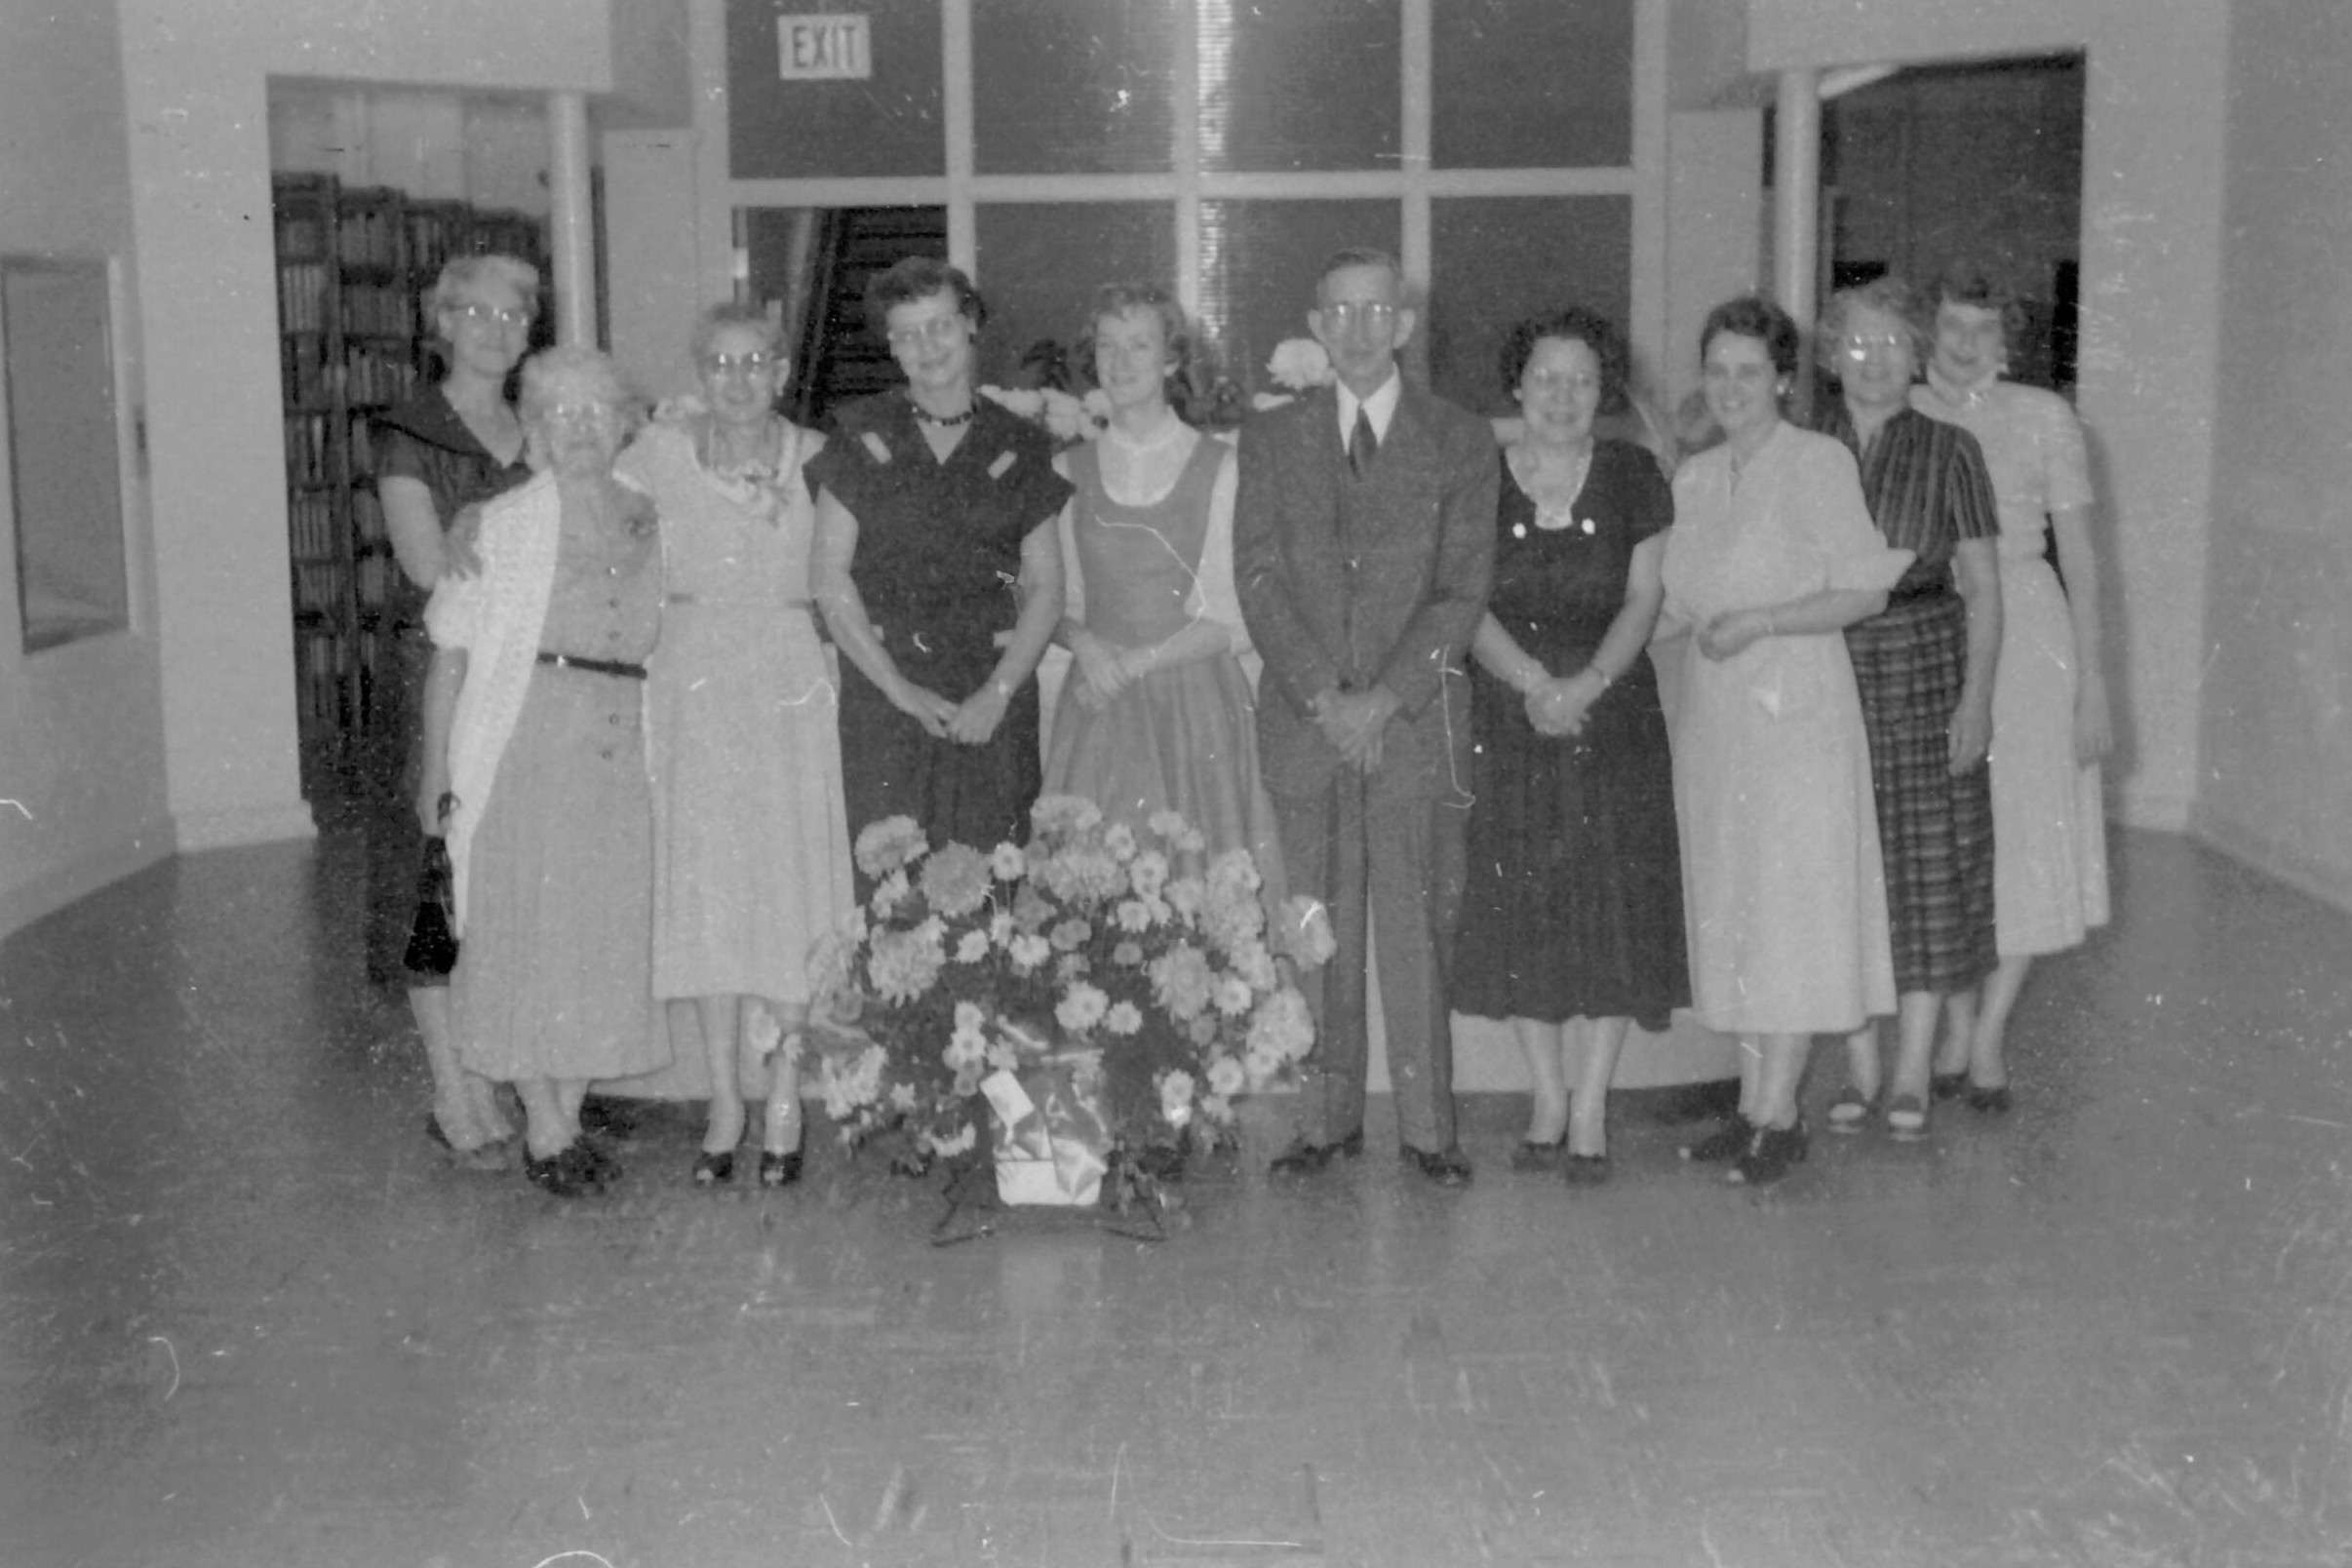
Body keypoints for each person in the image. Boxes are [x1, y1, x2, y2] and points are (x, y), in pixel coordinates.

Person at [1234, 246, 1499, 1188]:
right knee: (1317, 925)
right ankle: (1324, 1119)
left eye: (1374, 312)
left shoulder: (1461, 439)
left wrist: (1384, 697)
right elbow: (1257, 581)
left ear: (1404, 325)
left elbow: (1464, 591)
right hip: (1307, 719)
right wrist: (1325, 695)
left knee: (1418, 921)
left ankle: (1430, 1130)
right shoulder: (1271, 439)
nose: (1355, 330)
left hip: (1414, 719)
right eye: (1337, 313)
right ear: (1315, 326)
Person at [1660, 296, 1911, 1187]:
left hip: (1797, 710)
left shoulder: (1818, 462)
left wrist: (1766, 621)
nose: (1731, 388)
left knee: (1791, 909)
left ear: (1781, 379)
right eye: (1716, 371)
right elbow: (1676, 600)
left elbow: (1865, 592)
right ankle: (1750, 1105)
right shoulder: (1694, 479)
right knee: (1736, 909)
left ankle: (1779, 1115)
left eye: (1748, 371)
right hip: (1718, 719)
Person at [418, 347, 669, 1197]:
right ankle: (549, 1127)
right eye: (558, 415)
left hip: (623, 740)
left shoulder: (651, 513)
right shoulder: (498, 524)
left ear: (624, 423)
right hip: (528, 738)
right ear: (532, 432)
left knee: (596, 931)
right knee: (525, 927)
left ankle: (563, 1103)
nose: (579, 430)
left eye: (595, 412)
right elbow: (448, 656)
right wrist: (436, 775)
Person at [617, 305, 855, 1188]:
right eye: (719, 364)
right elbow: (579, 505)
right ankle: (724, 1098)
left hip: (791, 685)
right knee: (709, 891)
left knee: (788, 887)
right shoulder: (655, 458)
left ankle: (786, 1091)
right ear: (698, 373)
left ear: (783, 368)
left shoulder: (824, 459)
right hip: (694, 688)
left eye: (755, 362)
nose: (738, 380)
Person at [1451, 307, 1685, 1184]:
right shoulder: (1478, 475)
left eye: (1581, 380)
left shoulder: (1634, 474)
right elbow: (1462, 599)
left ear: (1604, 391)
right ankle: (1545, 1096)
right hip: (1507, 717)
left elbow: (1643, 599)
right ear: (1516, 384)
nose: (1561, 395)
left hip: (1610, 714)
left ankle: (1589, 1107)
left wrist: (1583, 686)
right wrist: (1532, 687)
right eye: (1545, 377)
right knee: (1524, 914)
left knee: (1611, 912)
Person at [1911, 261, 2112, 1111]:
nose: (1965, 345)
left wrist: (2095, 684)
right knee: (1947, 837)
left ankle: (1988, 1034)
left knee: (2024, 830)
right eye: (1952, 327)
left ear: (2009, 339)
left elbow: (2084, 558)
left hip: (2030, 629)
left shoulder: (2045, 417)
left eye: (1984, 331)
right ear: (1928, 332)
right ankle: (1956, 1023)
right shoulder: (1903, 409)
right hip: (1928, 622)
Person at [1815, 278, 2004, 1141]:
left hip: (1925, 664)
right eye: (1857, 343)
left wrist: (1976, 702)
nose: (1875, 361)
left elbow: (1986, 591)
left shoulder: (1951, 448)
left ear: (1918, 356)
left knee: (1927, 873)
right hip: (1824, 669)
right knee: (1842, 872)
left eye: (1893, 345)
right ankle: (1857, 1067)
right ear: (1829, 354)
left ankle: (1912, 1071)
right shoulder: (1802, 444)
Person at [804, 259, 1071, 866]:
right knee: (891, 891)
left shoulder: (1021, 444)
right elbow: (828, 577)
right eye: (907, 333)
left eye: (940, 326)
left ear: (971, 323)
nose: (928, 347)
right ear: (892, 348)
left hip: (990, 698)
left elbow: (1045, 586)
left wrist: (998, 693)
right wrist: (899, 691)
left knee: (994, 893)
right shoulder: (859, 436)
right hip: (887, 695)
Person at [366, 253, 537, 1166]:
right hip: (440, 671)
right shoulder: (408, 429)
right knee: (437, 869)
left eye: (512, 315)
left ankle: (489, 1058)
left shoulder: (538, 423)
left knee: (500, 873)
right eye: (474, 311)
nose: (493, 329)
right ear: (442, 321)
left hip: (524, 676)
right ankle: (448, 1081)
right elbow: (431, 570)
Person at [1041, 282, 1283, 895]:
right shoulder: (1067, 470)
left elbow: (1234, 619)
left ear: (1171, 359)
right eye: (1107, 346)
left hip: (1193, 707)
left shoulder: (1220, 466)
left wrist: (1140, 661)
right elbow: (1050, 598)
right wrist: (1090, 650)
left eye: (1140, 345)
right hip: (1099, 705)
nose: (1120, 362)